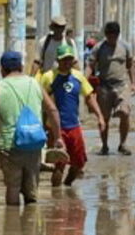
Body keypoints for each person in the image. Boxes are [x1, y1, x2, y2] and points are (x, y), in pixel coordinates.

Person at [0, 51, 63, 206]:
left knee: (13, 188)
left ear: (2, 70)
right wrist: (58, 137)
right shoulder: (35, 84)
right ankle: (30, 227)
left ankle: (12, 227)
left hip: (9, 146)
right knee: (32, 192)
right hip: (34, 144)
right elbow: (52, 110)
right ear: (21, 66)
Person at [39, 44, 105, 186]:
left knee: (79, 162)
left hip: (74, 126)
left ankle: (68, 187)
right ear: (58, 60)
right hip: (56, 128)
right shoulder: (48, 77)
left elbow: (89, 97)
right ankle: (56, 196)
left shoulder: (78, 77)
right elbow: (39, 99)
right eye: (64, 60)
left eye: (70, 59)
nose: (67, 63)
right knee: (59, 163)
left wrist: (99, 116)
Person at [87, 21, 135, 156]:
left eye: (114, 36)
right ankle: (104, 146)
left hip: (122, 86)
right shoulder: (99, 48)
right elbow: (91, 65)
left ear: (118, 35)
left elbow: (130, 65)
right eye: (109, 36)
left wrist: (133, 83)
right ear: (106, 35)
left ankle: (123, 144)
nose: (111, 39)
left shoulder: (125, 46)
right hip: (104, 87)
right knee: (104, 118)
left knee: (125, 113)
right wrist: (85, 81)